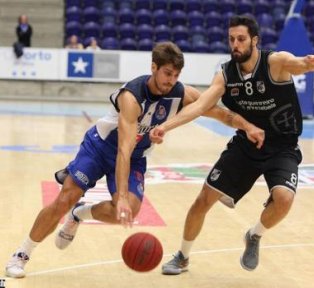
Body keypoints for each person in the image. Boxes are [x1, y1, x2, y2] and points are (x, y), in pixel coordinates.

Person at [5, 41, 263, 279]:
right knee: (65, 197)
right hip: (101, 147)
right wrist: (122, 197)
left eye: (176, 75)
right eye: (166, 74)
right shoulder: (132, 96)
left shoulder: (181, 93)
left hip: (135, 157)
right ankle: (21, 254)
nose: (171, 81)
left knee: (128, 212)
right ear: (154, 68)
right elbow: (123, 151)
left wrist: (247, 126)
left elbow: (221, 114)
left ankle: (79, 215)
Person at [150, 15, 314, 275]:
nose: (235, 44)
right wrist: (164, 127)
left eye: (241, 39)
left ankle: (254, 235)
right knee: (203, 200)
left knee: (283, 199)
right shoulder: (225, 75)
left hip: (283, 146)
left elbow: (298, 64)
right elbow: (201, 106)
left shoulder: (275, 63)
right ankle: (182, 256)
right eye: (231, 39)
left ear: (255, 41)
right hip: (245, 145)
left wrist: (307, 63)